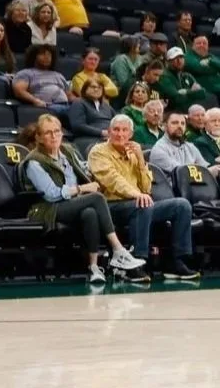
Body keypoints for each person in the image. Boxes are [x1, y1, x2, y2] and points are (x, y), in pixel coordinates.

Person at [21, 115, 147, 284]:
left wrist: (90, 176)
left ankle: (94, 267)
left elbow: (81, 169)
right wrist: (82, 188)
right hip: (46, 209)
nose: (53, 136)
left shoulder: (67, 151)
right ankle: (118, 250)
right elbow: (51, 194)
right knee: (95, 198)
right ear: (38, 137)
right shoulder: (33, 162)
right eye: (47, 133)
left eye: (57, 131)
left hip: (71, 204)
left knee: (90, 213)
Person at [87, 114, 199, 280]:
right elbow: (111, 180)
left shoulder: (133, 153)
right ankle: (137, 261)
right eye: (116, 130)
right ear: (109, 132)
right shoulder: (98, 152)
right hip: (109, 207)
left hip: (136, 203)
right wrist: (137, 194)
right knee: (143, 204)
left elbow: (147, 187)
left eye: (124, 130)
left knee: (181, 205)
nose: (120, 134)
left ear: (130, 134)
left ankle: (176, 262)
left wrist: (140, 159)